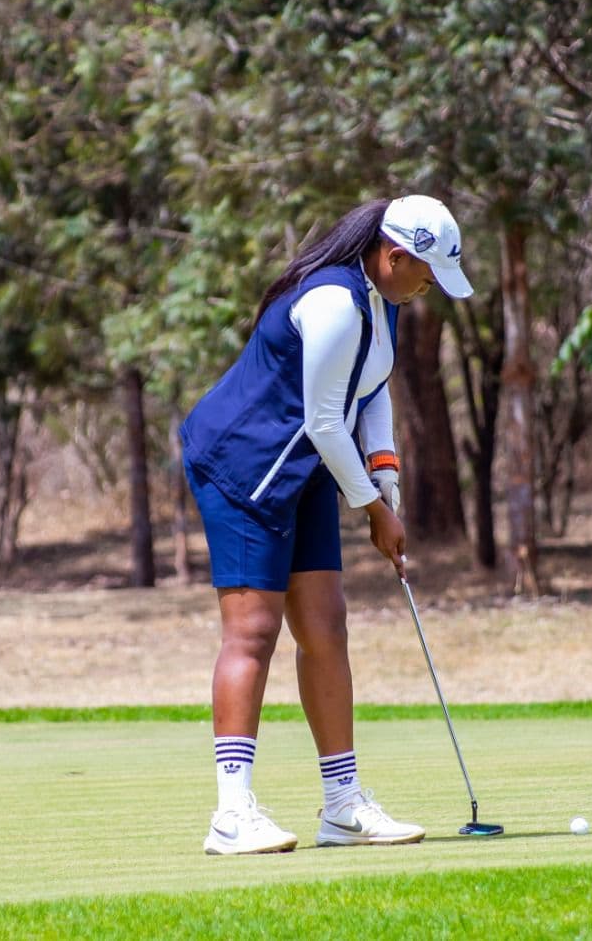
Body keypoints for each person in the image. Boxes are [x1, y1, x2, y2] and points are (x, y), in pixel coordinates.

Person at [180, 194, 474, 855]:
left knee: (325, 627)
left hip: (309, 468)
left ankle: (342, 805)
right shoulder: (336, 303)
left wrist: (387, 486)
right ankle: (231, 813)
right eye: (425, 273)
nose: (428, 288)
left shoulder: (384, 302)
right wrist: (371, 508)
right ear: (394, 255)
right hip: (241, 464)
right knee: (253, 630)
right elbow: (320, 419)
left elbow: (371, 397)